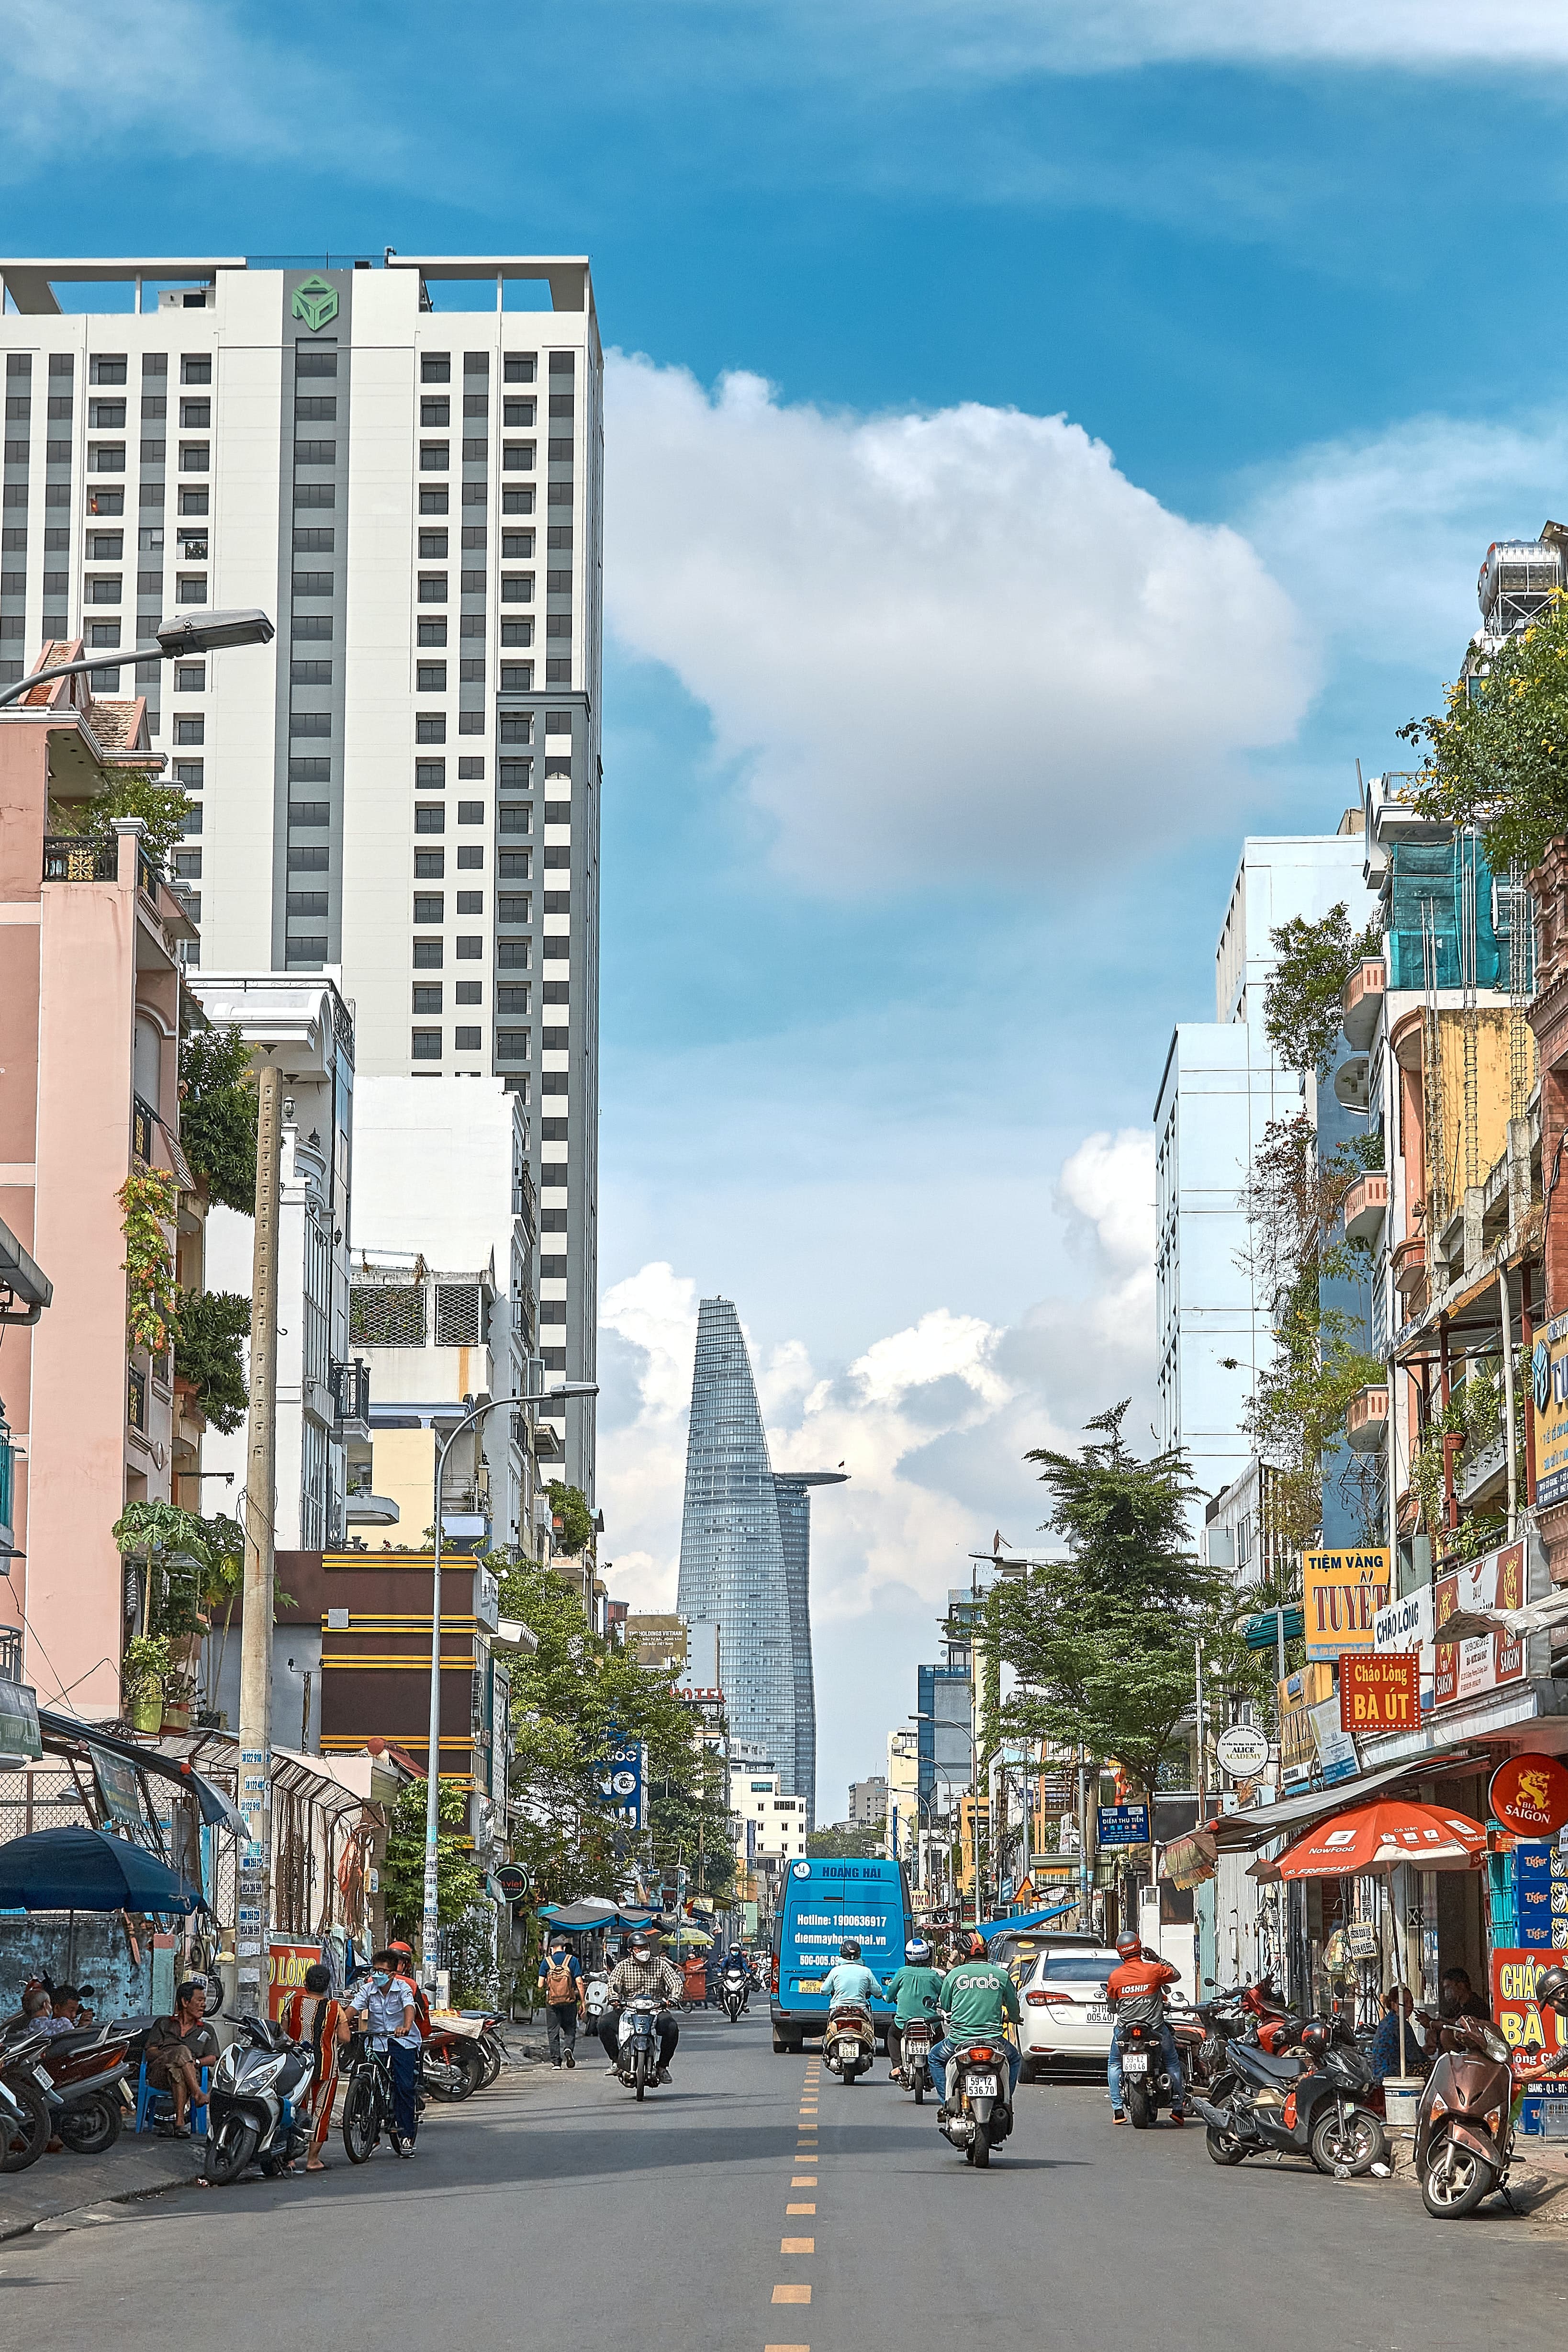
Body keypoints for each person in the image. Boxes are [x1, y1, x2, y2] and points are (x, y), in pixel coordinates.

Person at [932, 1930, 1022, 2109]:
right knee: (1014, 2059)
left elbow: (946, 2006)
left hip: (958, 2041)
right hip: (994, 2041)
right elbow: (1013, 2006)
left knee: (935, 2058)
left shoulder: (954, 1975)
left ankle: (947, 2102)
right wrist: (1013, 2018)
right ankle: (1006, 2101)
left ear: (963, 1956)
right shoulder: (1001, 1975)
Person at [347, 1949, 423, 2156]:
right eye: (375, 1970)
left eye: (382, 1971)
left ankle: (406, 2136)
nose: (377, 1974)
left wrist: (406, 2027)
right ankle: (370, 2136)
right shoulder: (368, 1989)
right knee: (362, 2080)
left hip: (403, 2042)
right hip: (376, 2042)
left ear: (392, 1974)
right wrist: (341, 2023)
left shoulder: (403, 1988)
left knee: (404, 2086)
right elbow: (353, 2009)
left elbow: (409, 2008)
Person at [1105, 1932, 1186, 2125]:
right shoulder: (1154, 1970)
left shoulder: (1115, 1977)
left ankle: (1118, 2111)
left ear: (1120, 1953)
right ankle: (1177, 2108)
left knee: (1115, 2064)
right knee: (1172, 2061)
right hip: (1155, 2030)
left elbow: (1112, 2007)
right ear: (1140, 1949)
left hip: (1125, 2030)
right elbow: (1176, 1975)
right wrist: (1156, 1958)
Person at [281, 1961, 352, 2173]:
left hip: (297, 2067)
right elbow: (345, 2038)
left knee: (294, 2109)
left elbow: (283, 2033)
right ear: (327, 1985)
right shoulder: (335, 2008)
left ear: (306, 1983)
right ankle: (313, 2160)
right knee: (321, 2112)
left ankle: (290, 2158)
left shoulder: (294, 2003)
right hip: (326, 2066)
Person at [597, 1934, 685, 2081]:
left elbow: (676, 1983)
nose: (644, 1951)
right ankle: (617, 2061)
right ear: (631, 1950)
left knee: (672, 2028)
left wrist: (673, 1998)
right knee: (603, 2024)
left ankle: (662, 2067)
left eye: (646, 1948)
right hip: (628, 2008)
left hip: (656, 2009)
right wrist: (614, 1999)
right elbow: (613, 1985)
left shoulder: (661, 1965)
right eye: (639, 1949)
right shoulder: (622, 1967)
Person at [146, 1979, 220, 2138]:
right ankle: (197, 2094)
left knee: (178, 2071)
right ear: (185, 2002)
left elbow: (213, 2058)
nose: (204, 2005)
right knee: (180, 2051)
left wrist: (195, 2062)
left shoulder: (207, 2030)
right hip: (160, 2074)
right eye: (199, 2000)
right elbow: (150, 2052)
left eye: (204, 2001)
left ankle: (179, 2122)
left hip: (192, 2074)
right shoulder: (163, 2024)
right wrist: (170, 2055)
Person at [881, 1937, 944, 2079]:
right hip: (930, 2023)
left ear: (907, 1956)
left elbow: (890, 1995)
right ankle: (939, 2067)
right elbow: (944, 1995)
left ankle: (897, 2067)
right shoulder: (933, 1975)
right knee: (940, 2038)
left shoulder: (902, 1973)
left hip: (904, 2023)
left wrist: (888, 1999)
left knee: (892, 2035)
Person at [538, 1935, 584, 2067]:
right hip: (570, 2001)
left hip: (552, 2002)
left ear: (552, 1949)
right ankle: (568, 2048)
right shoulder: (573, 1960)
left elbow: (540, 1984)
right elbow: (579, 1982)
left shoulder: (547, 1962)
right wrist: (583, 2002)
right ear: (564, 1948)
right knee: (570, 2028)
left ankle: (556, 2062)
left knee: (553, 2031)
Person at [1370, 1985, 1423, 2081]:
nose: (1410, 2006)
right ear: (1394, 2005)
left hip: (1379, 2074)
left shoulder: (1387, 2021)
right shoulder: (1401, 2025)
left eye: (1411, 2002)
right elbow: (1414, 2057)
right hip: (1393, 2073)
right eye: (1405, 2002)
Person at [819, 1939, 883, 2008]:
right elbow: (877, 1991)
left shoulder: (835, 1971)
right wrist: (879, 1995)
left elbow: (824, 1990)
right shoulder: (866, 1971)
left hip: (839, 2007)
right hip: (860, 2008)